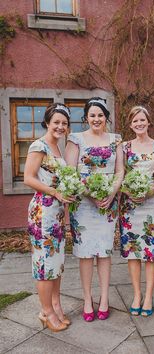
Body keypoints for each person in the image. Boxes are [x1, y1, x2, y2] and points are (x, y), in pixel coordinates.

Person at [65, 97, 124, 321]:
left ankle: (105, 298)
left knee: (105, 252)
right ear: (86, 117)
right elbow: (70, 172)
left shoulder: (115, 140)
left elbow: (119, 171)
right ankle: (88, 299)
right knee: (86, 253)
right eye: (92, 115)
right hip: (83, 204)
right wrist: (89, 193)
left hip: (108, 204)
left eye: (100, 115)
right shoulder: (76, 139)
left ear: (106, 117)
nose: (96, 119)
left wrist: (110, 193)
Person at [24, 103, 73, 332]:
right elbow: (28, 178)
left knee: (56, 262)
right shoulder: (39, 145)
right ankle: (46, 311)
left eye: (64, 123)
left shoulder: (57, 148)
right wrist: (55, 192)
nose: (60, 126)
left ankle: (56, 305)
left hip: (56, 212)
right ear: (47, 122)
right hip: (43, 212)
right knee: (44, 264)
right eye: (56, 122)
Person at [119, 106, 154, 317]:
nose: (139, 124)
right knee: (134, 252)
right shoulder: (124, 147)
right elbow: (119, 174)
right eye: (135, 121)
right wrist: (129, 191)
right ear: (130, 124)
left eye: (142, 120)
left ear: (148, 121)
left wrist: (148, 192)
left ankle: (149, 296)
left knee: (151, 253)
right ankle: (137, 294)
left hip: (152, 203)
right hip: (129, 206)